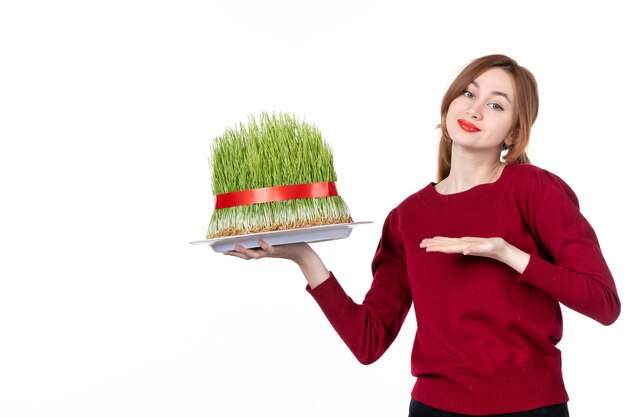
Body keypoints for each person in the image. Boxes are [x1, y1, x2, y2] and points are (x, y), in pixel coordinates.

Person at [223, 54, 621, 416]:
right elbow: (369, 342)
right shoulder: (407, 217)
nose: (475, 109)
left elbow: (604, 304)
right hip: (434, 409)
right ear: (449, 104)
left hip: (531, 407)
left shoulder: (535, 190)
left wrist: (507, 254)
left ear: (513, 135)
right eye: (469, 93)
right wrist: (304, 258)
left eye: (496, 104)